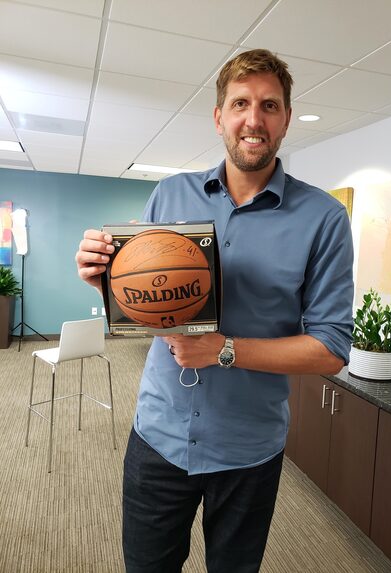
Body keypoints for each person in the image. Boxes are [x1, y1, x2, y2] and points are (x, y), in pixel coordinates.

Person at [76, 49, 354, 573]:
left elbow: (331, 349)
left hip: (248, 451)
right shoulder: (169, 193)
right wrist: (104, 284)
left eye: (270, 105)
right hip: (158, 435)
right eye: (241, 104)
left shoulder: (324, 219)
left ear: (286, 119)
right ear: (219, 116)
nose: (255, 119)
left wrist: (223, 350)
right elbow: (147, 313)